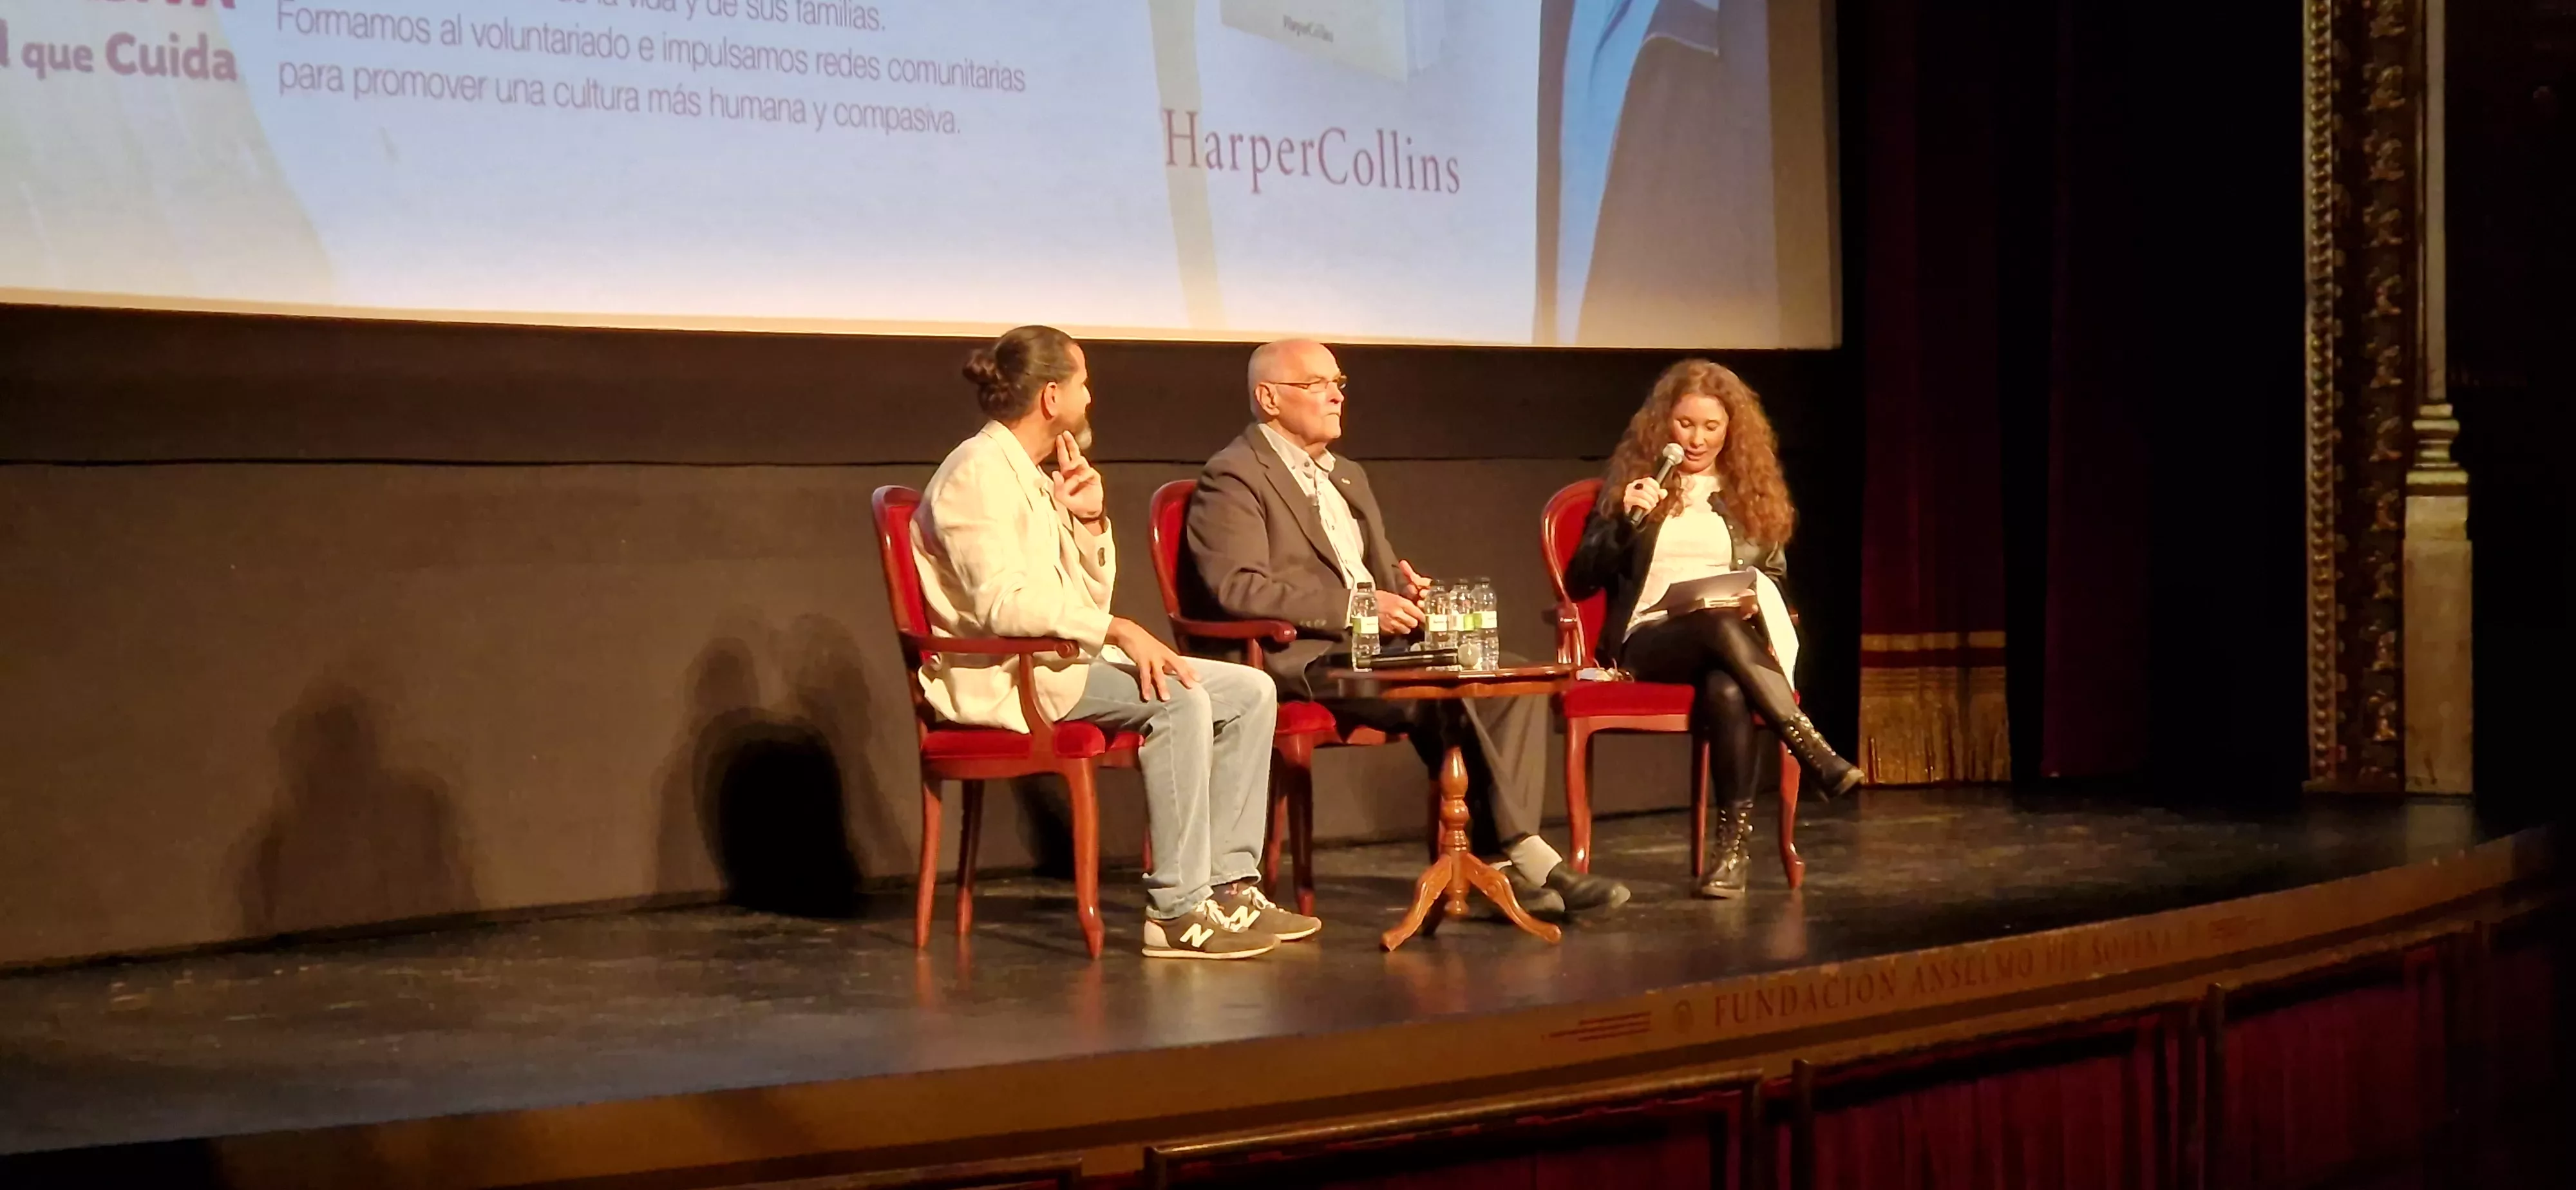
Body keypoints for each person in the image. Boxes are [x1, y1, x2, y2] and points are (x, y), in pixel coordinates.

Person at [1181, 339, 1629, 920]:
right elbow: (1239, 588)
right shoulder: (1235, 475)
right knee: (1442, 696)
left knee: (1501, 680)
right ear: (1268, 398)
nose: (1336, 394)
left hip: (1376, 645)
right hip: (1305, 655)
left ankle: (1492, 865)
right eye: (1316, 384)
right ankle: (1522, 859)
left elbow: (1378, 570)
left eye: (1338, 381)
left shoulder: (1348, 475)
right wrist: (1359, 608)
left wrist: (1405, 587)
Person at [913, 326, 1315, 959]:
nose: (1090, 398)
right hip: (1008, 678)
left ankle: (1229, 886)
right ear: (1051, 397)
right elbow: (1001, 606)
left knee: (1250, 690)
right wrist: (1120, 631)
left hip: (1057, 666)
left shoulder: (1036, 475)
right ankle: (1176, 911)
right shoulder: (976, 474)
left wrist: (1090, 521)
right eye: (1082, 384)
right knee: (1179, 698)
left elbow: (1082, 600)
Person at [1564, 359, 1861, 899]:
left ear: (1731, 431)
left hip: (1724, 643)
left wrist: (1754, 602)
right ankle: (1808, 741)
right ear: (1663, 426)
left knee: (1726, 685)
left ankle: (1732, 855)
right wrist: (1626, 525)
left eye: (1710, 428)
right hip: (1646, 642)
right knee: (1716, 627)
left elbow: (1773, 580)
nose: (1696, 440)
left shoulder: (1749, 495)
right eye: (1684, 425)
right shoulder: (1636, 485)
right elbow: (1581, 581)